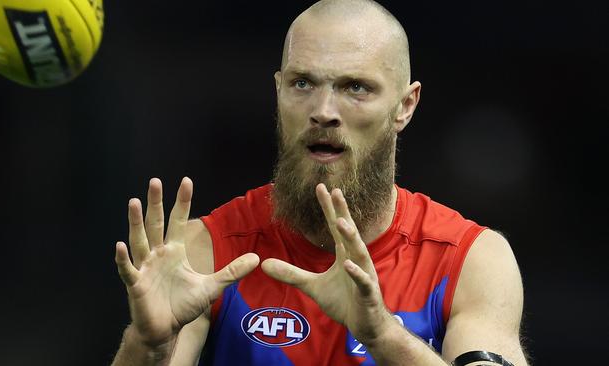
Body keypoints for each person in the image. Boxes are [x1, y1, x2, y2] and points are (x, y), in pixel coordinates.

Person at [111, 0, 529, 365]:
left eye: (355, 87)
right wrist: (148, 343)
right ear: (278, 91)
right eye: (303, 83)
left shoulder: (469, 260)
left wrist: (382, 335)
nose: (323, 110)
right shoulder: (210, 250)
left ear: (405, 105)